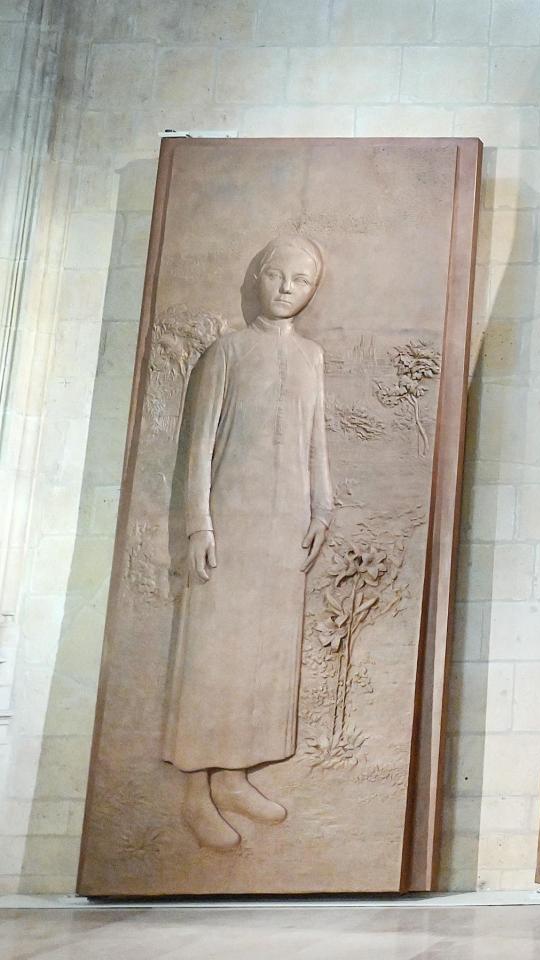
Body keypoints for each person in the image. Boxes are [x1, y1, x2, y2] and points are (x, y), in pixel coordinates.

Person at [163, 235, 333, 850]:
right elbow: (197, 450)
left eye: (301, 280)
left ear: (313, 291)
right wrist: (199, 526)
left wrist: (322, 507)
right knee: (214, 654)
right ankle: (194, 793)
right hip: (229, 528)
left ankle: (233, 777)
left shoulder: (312, 357)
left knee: (260, 655)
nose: (286, 288)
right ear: (258, 278)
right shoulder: (226, 353)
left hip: (283, 530)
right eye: (276, 275)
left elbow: (316, 440)